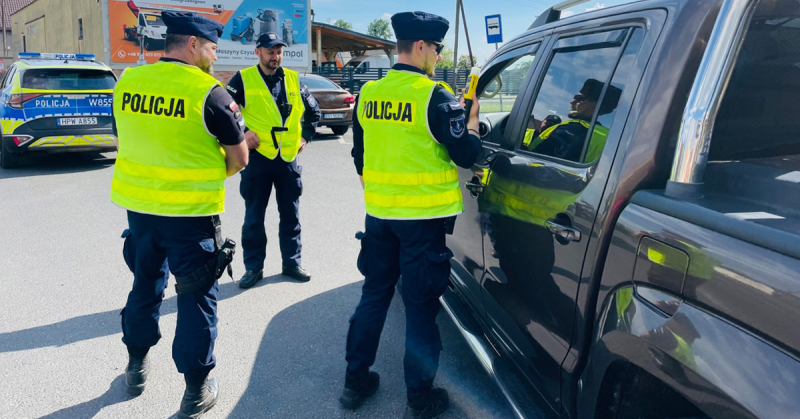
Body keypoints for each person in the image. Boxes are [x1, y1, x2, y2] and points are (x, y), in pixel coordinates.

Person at [341, 11, 481, 419]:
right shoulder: (434, 96)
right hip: (422, 224)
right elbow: (467, 155)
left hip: (380, 217)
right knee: (420, 307)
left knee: (374, 295)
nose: (438, 56)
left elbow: (359, 157)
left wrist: (382, 198)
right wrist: (471, 122)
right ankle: (419, 399)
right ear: (420, 46)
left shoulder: (369, 94)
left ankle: (354, 382)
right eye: (437, 49)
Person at [110, 11, 248, 418]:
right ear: (191, 44)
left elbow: (128, 135)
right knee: (195, 299)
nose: (213, 54)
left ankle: (135, 368)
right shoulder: (212, 94)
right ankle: (195, 390)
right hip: (190, 217)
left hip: (141, 214)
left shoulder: (128, 82)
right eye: (211, 47)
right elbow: (239, 158)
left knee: (144, 286)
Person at [225, 32, 321, 289]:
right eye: (270, 51)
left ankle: (292, 262)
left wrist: (306, 138)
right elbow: (225, 110)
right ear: (257, 52)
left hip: (288, 159)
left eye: (279, 51)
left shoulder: (293, 79)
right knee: (254, 217)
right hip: (258, 159)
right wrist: (243, 133)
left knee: (291, 214)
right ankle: (254, 268)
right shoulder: (243, 79)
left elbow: (313, 111)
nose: (275, 56)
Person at [523, 78, 620, 163]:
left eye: (579, 98)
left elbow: (534, 165)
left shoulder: (571, 130)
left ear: (596, 105)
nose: (572, 101)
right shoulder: (611, 139)